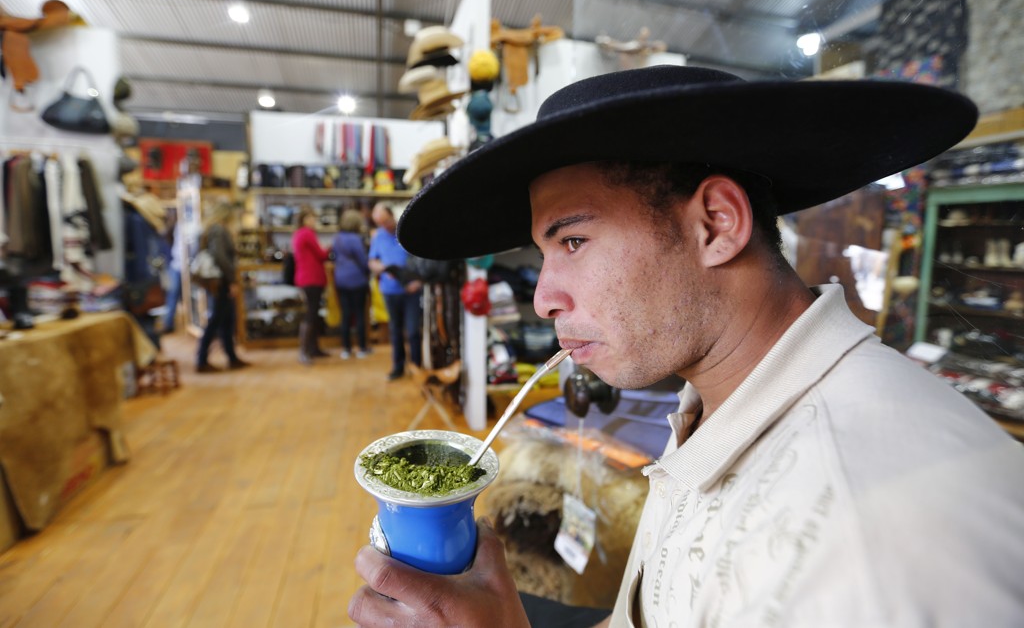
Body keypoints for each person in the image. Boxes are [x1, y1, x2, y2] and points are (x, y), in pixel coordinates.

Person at [348, 66, 1024, 627]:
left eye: (573, 240)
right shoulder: (719, 398)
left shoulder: (869, 538)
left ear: (716, 223)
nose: (544, 296)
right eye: (545, 250)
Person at [368, 202, 422, 381]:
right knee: (395, 330)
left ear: (392, 216)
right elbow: (372, 262)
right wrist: (383, 269)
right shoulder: (378, 237)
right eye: (380, 223)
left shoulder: (407, 232)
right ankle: (398, 366)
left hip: (411, 291)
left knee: (413, 330)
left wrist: (418, 281)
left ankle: (416, 366)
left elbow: (422, 261)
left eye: (386, 221)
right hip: (390, 291)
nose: (385, 226)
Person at [195, 201, 249, 373]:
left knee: (226, 320)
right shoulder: (218, 230)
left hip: (220, 280)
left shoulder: (213, 229)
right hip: (221, 281)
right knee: (217, 320)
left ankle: (231, 356)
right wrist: (232, 280)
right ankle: (202, 359)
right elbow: (220, 256)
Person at [331, 208, 372, 359]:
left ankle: (346, 349)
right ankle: (362, 347)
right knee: (360, 314)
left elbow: (334, 257)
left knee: (346, 315)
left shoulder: (337, 238)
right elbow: (362, 260)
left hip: (341, 279)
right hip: (357, 279)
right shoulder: (355, 239)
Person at [292, 206, 330, 365]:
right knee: (310, 315)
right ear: (304, 220)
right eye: (311, 218)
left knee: (313, 314)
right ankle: (305, 351)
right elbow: (321, 255)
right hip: (311, 279)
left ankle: (313, 349)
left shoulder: (298, 234)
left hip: (306, 278)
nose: (314, 221)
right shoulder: (307, 234)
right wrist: (328, 248)